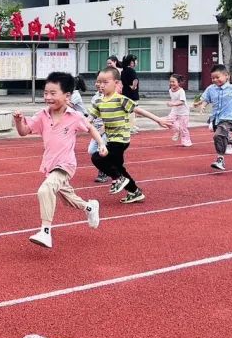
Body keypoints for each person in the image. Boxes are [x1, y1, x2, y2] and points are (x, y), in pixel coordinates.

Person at [14, 71, 104, 248]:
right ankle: (90, 207)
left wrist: (101, 144)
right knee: (69, 200)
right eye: (46, 93)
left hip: (65, 165)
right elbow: (24, 131)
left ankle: (45, 231)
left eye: (53, 93)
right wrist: (18, 121)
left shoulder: (74, 116)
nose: (48, 97)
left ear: (67, 95)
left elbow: (90, 128)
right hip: (50, 164)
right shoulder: (42, 115)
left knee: (45, 190)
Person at [89, 67, 171, 205]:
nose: (101, 85)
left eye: (105, 82)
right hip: (111, 138)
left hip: (120, 139)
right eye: (99, 82)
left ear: (116, 83)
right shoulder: (98, 102)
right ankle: (134, 192)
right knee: (119, 168)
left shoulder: (120, 99)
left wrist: (158, 120)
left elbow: (139, 110)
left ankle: (118, 179)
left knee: (97, 157)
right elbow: (88, 120)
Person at [194, 64, 232, 172]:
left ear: (227, 76)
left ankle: (220, 160)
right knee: (223, 135)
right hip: (216, 118)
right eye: (212, 78)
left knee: (218, 135)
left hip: (229, 118)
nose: (215, 80)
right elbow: (207, 99)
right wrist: (202, 105)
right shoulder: (211, 89)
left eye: (217, 77)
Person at [166, 73, 192, 147]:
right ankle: (177, 130)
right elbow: (173, 99)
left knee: (184, 128)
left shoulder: (181, 91)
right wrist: (172, 104)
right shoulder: (170, 90)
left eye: (173, 82)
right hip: (174, 111)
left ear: (178, 82)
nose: (171, 83)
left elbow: (182, 101)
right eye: (170, 81)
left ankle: (186, 141)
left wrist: (172, 104)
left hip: (184, 112)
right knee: (168, 121)